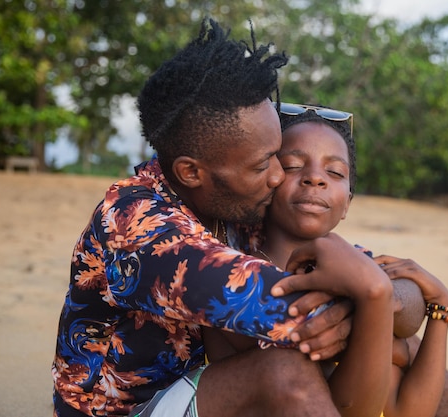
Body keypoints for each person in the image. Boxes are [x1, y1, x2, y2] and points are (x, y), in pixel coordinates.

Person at [52, 18, 393, 417]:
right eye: (263, 163)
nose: (280, 176)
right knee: (284, 370)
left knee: (401, 355)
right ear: (191, 172)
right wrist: (376, 298)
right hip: (123, 413)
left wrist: (390, 293)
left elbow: (372, 276)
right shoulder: (136, 223)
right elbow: (297, 315)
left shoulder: (241, 204)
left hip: (213, 394)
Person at [203, 103, 448, 417]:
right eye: (294, 165)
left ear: (348, 203)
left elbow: (409, 411)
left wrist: (440, 310)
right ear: (267, 180)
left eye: (334, 172)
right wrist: (387, 336)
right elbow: (342, 408)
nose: (315, 179)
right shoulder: (237, 276)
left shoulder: (361, 268)